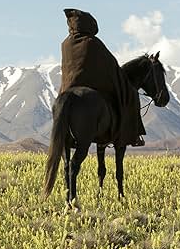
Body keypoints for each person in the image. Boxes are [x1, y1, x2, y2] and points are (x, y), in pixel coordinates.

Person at [59, 8, 145, 147]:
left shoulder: (65, 44)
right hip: (92, 85)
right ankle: (132, 135)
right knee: (131, 95)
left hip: (67, 87)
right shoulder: (92, 42)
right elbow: (110, 65)